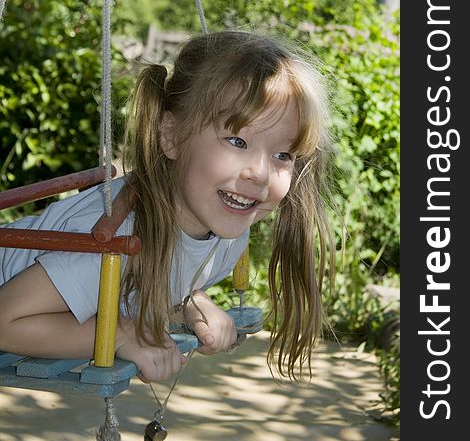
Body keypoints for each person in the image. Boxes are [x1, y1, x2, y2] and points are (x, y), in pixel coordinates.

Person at [0, 31, 334, 383]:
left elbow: (153, 279)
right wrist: (120, 334)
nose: (261, 174)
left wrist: (188, 304)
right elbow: (5, 320)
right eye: (238, 141)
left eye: (283, 154)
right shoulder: (120, 239)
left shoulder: (227, 233)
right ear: (171, 136)